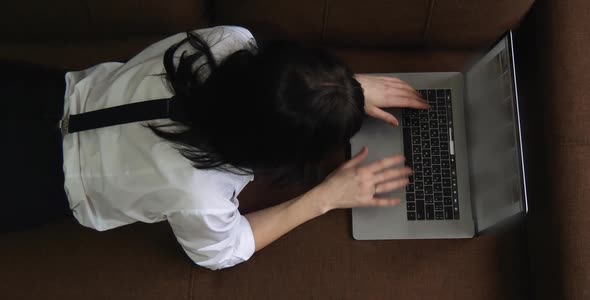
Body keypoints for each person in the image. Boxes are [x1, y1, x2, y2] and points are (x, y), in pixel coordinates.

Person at [0, 26, 428, 270]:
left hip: (32, 93)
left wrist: (340, 91)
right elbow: (222, 252)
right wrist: (325, 197)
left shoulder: (227, 40)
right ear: (274, 153)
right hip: (34, 183)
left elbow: (273, 78)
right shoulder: (198, 194)